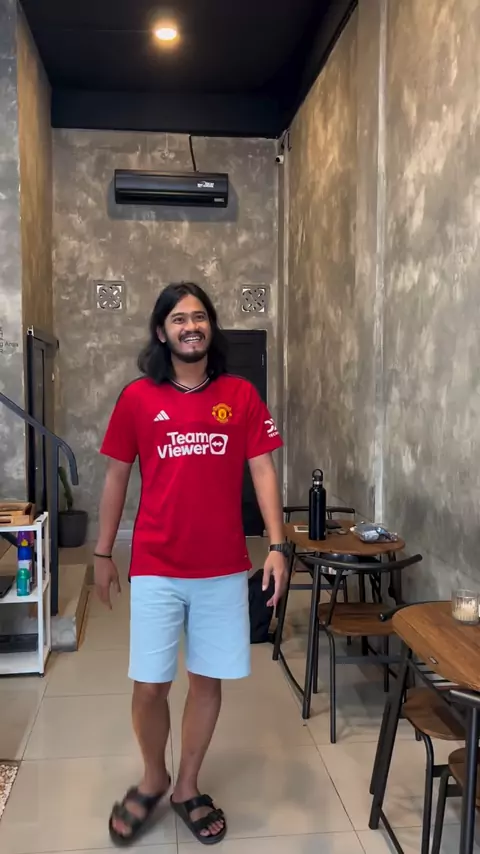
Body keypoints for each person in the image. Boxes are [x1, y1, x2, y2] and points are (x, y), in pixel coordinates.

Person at [94, 282, 287, 847]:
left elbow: (263, 469)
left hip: (223, 569)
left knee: (206, 681)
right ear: (162, 331)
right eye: (179, 319)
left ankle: (186, 786)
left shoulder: (240, 395)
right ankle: (153, 777)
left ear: (211, 328)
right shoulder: (137, 398)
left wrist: (277, 546)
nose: (191, 326)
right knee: (150, 686)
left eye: (199, 317)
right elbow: (116, 476)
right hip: (156, 564)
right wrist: (102, 552)